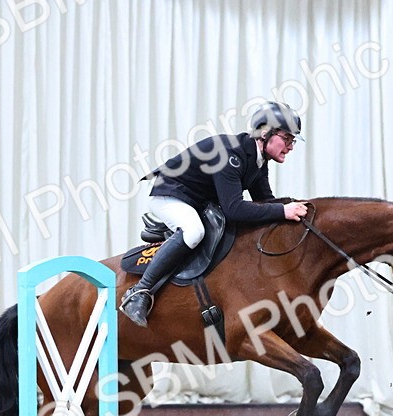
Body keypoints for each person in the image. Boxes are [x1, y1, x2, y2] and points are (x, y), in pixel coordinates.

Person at [120, 101, 311, 327]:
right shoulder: (230, 155)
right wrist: (283, 210)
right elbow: (234, 210)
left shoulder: (258, 161)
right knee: (193, 232)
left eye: (293, 141)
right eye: (287, 139)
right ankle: (139, 292)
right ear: (264, 133)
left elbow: (264, 203)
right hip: (170, 195)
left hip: (198, 202)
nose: (290, 146)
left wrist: (293, 211)